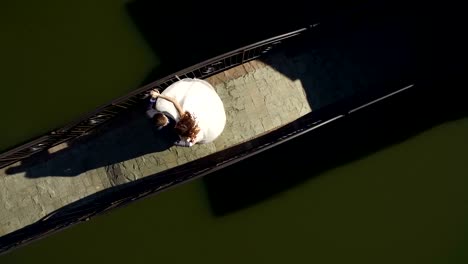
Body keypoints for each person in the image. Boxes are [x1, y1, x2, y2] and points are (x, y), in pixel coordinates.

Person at [148, 78, 226, 147]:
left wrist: (158, 95)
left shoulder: (184, 119)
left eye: (178, 124)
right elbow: (174, 101)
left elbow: (175, 101)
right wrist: (192, 142)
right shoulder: (183, 120)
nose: (175, 124)